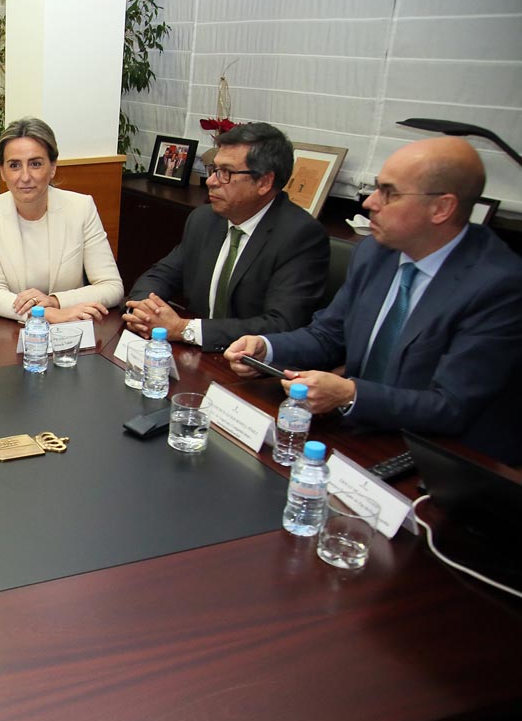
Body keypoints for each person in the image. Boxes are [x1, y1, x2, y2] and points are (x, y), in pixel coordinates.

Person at [225, 136, 522, 464]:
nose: (369, 203)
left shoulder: (498, 285)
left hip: (443, 458)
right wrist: (266, 347)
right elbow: (328, 335)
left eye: (389, 193)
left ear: (442, 208)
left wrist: (351, 394)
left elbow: (451, 407)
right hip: (359, 434)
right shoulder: (375, 252)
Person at [123, 122, 329, 352]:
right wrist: (143, 310)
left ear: (264, 182)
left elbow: (281, 324)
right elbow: (161, 275)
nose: (211, 181)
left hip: (250, 368)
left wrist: (185, 329)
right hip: (197, 356)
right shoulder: (204, 219)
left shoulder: (300, 236)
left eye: (226, 173)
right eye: (213, 169)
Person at [0, 117, 124, 323]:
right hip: (2, 327)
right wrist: (45, 314)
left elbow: (112, 286)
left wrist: (56, 301)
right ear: (2, 172)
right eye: (14, 165)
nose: (25, 176)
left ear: (52, 167)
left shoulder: (81, 208)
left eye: (35, 164)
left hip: (68, 326)